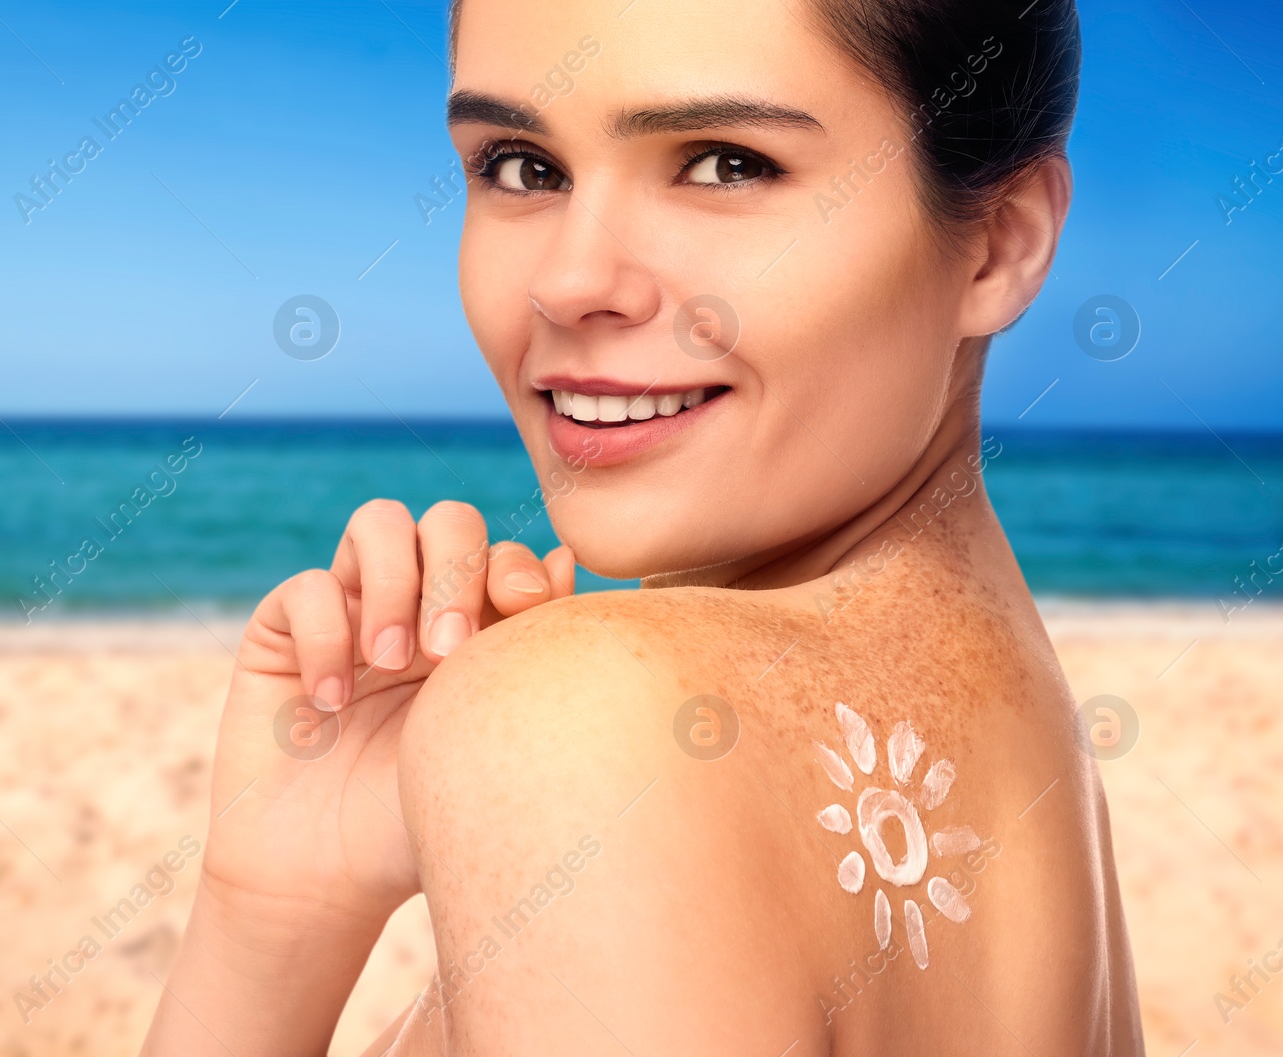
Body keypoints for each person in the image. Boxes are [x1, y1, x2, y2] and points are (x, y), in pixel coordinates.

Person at [141, 0, 1145, 1052]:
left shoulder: (585, 717)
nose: (569, 283)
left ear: (998, 245)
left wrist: (534, 720)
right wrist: (279, 902)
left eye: (723, 164)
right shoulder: (1027, 748)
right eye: (523, 167)